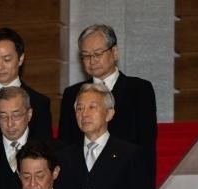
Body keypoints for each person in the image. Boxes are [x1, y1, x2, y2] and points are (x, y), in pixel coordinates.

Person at [56, 83, 153, 189]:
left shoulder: (129, 154)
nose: (84, 114)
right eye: (79, 108)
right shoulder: (64, 157)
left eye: (92, 107)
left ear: (109, 114)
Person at [58, 24, 157, 175]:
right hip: (82, 177)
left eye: (98, 54)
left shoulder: (139, 89)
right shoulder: (72, 94)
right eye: (86, 56)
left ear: (115, 52)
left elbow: (146, 145)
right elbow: (65, 145)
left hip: (124, 174)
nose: (92, 61)